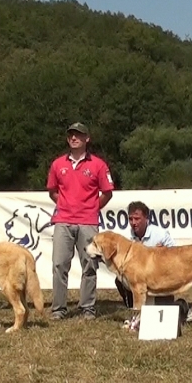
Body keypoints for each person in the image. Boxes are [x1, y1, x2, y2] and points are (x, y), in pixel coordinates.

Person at [47, 122, 114, 320]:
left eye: (78, 135)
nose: (74, 138)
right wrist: (65, 205)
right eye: (70, 135)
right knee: (59, 264)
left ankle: (88, 308)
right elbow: (52, 190)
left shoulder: (98, 165)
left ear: (87, 138)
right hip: (63, 221)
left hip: (88, 221)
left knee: (89, 264)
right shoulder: (58, 164)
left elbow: (108, 192)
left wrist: (92, 208)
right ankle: (58, 309)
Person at [118, 201, 192, 330]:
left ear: (146, 218)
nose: (133, 222)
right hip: (142, 280)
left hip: (163, 278)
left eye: (137, 219)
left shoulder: (161, 234)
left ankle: (183, 307)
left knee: (167, 314)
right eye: (130, 219)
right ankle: (135, 315)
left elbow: (176, 256)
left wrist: (164, 251)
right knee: (122, 279)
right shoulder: (129, 239)